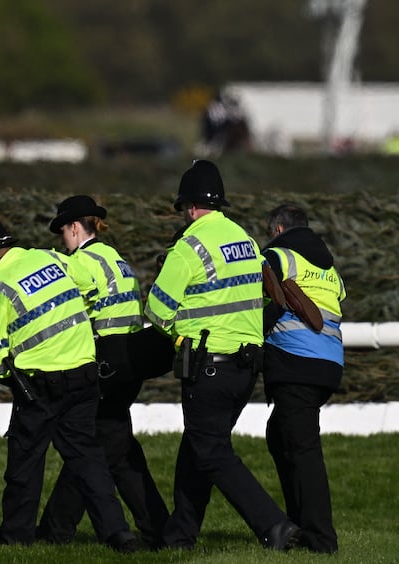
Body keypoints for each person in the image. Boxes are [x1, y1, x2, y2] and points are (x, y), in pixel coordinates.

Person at [0, 211, 138, 552]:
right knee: (87, 460)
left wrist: (8, 378)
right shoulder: (48, 258)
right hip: (85, 373)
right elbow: (88, 285)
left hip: (39, 387)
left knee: (24, 466)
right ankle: (119, 534)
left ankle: (15, 537)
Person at [144, 160, 300, 551]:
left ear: (191, 206)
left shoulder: (190, 245)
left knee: (211, 451)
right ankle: (179, 536)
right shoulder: (246, 241)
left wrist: (180, 331)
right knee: (197, 448)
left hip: (208, 365)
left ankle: (275, 527)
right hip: (246, 368)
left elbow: (157, 310)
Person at [36, 195, 169, 549]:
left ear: (76, 228)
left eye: (63, 231)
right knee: (118, 448)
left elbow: (62, 314)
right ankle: (158, 528)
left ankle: (56, 529)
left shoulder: (78, 264)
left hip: (104, 364)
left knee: (88, 451)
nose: (62, 240)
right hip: (130, 361)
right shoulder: (116, 258)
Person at [262, 204, 345, 554]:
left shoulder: (276, 256)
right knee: (279, 435)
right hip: (328, 363)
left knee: (304, 450)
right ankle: (297, 524)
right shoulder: (329, 267)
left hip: (296, 362)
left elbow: (261, 300)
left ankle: (321, 540)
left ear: (279, 230)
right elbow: (338, 302)